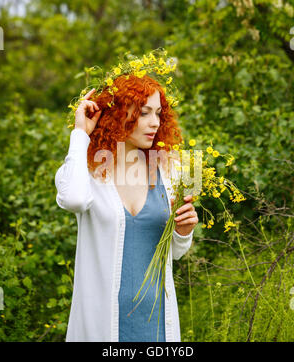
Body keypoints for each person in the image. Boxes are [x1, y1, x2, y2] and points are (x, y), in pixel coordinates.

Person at [54, 73, 199, 342]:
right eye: (144, 113)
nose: (154, 123)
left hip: (157, 326)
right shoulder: (89, 171)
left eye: (158, 113)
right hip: (101, 326)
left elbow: (176, 253)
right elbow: (72, 199)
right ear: (118, 113)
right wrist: (79, 134)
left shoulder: (170, 170)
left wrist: (183, 230)